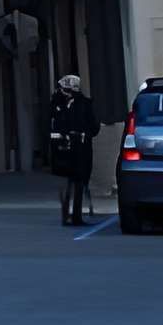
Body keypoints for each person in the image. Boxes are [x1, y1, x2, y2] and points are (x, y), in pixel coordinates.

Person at [45, 72, 100, 225]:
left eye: (68, 91)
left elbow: (94, 127)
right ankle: (65, 214)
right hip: (62, 148)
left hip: (81, 149)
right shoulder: (56, 104)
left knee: (79, 181)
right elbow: (49, 124)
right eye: (64, 90)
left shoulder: (85, 104)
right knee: (64, 182)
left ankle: (77, 215)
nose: (66, 93)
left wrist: (83, 134)